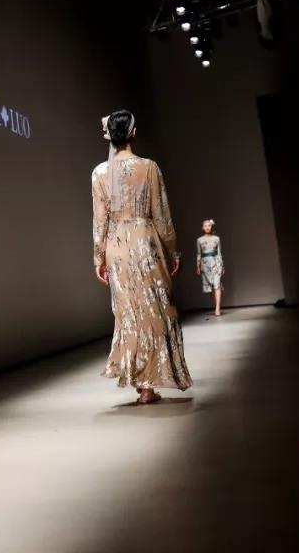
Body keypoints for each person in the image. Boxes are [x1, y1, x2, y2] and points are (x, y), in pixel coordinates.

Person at [91, 110, 193, 404]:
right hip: (145, 242)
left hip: (117, 247)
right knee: (154, 309)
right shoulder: (149, 167)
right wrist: (173, 250)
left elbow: (100, 220)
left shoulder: (99, 173)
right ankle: (148, 384)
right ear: (133, 133)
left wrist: (99, 257)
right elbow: (161, 214)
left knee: (129, 313)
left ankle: (142, 384)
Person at [196, 219, 225, 316]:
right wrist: (198, 266)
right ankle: (216, 306)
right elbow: (199, 254)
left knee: (217, 284)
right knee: (211, 287)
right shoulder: (199, 240)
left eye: (209, 225)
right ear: (202, 228)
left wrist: (222, 266)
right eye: (205, 226)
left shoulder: (217, 238)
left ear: (212, 227)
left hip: (216, 263)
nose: (207, 227)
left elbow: (219, 253)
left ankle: (217, 309)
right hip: (205, 265)